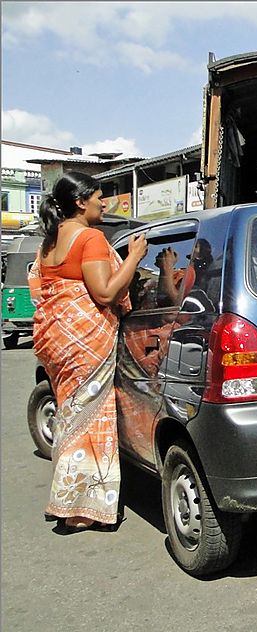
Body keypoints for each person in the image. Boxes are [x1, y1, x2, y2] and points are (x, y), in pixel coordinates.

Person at [28, 172, 148, 532]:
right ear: (80, 202)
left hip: (58, 339)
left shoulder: (49, 242)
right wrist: (134, 257)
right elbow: (107, 293)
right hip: (86, 341)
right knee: (90, 419)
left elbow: (43, 288)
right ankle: (81, 507)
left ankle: (68, 500)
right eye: (99, 196)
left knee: (72, 416)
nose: (104, 203)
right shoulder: (90, 238)